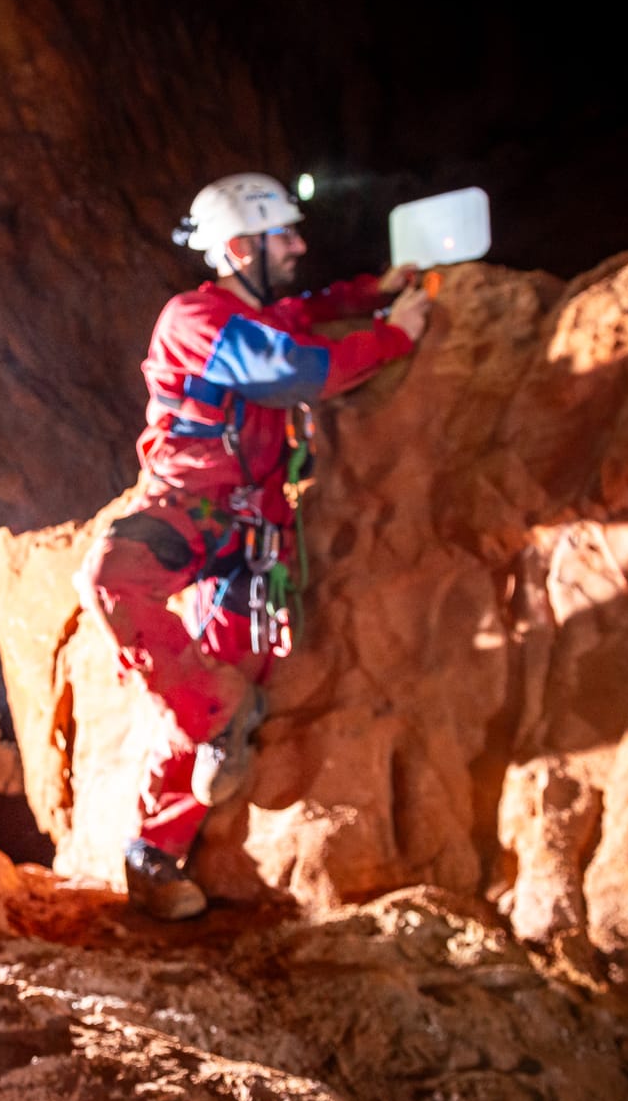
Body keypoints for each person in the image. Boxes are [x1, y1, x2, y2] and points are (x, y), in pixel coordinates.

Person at [76, 173, 430, 920]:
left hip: (251, 537)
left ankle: (156, 852)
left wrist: (377, 292)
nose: (300, 245)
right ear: (238, 248)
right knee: (116, 584)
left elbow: (312, 314)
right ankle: (197, 748)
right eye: (284, 237)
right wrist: (398, 334)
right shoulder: (195, 319)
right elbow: (296, 369)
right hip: (185, 511)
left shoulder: (270, 313)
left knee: (221, 669)